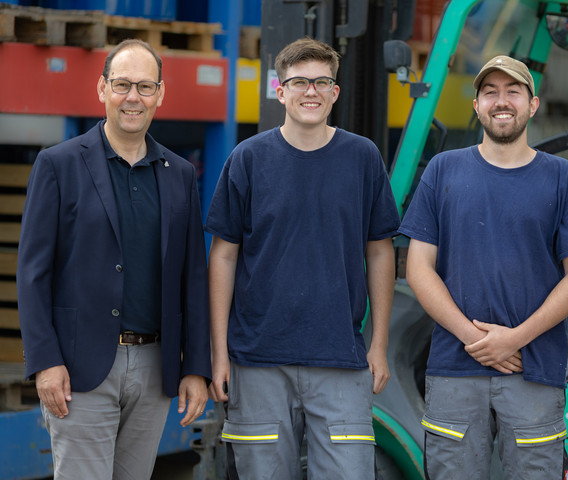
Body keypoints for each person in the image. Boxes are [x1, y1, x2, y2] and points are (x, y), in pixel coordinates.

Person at [398, 55, 568, 479]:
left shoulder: (562, 177)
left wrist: (515, 339)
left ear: (534, 104)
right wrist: (476, 338)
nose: (501, 101)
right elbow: (418, 268)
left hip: (533, 369)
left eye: (513, 91)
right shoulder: (443, 170)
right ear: (476, 105)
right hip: (455, 367)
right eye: (490, 92)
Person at [205, 37, 400, 479]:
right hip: (258, 361)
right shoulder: (248, 159)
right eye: (298, 82)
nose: (310, 91)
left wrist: (380, 344)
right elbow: (223, 257)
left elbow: (380, 250)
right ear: (280, 90)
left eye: (321, 82)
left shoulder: (362, 157)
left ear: (335, 92)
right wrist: (220, 354)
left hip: (340, 357)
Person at [16, 39, 211, 479]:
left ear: (160, 94)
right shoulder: (58, 165)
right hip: (80, 365)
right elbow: (32, 274)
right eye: (122, 84)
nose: (133, 98)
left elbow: (192, 278)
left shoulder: (179, 174)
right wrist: (45, 361)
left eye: (145, 86)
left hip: (155, 366)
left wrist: (195, 367)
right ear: (102, 88)